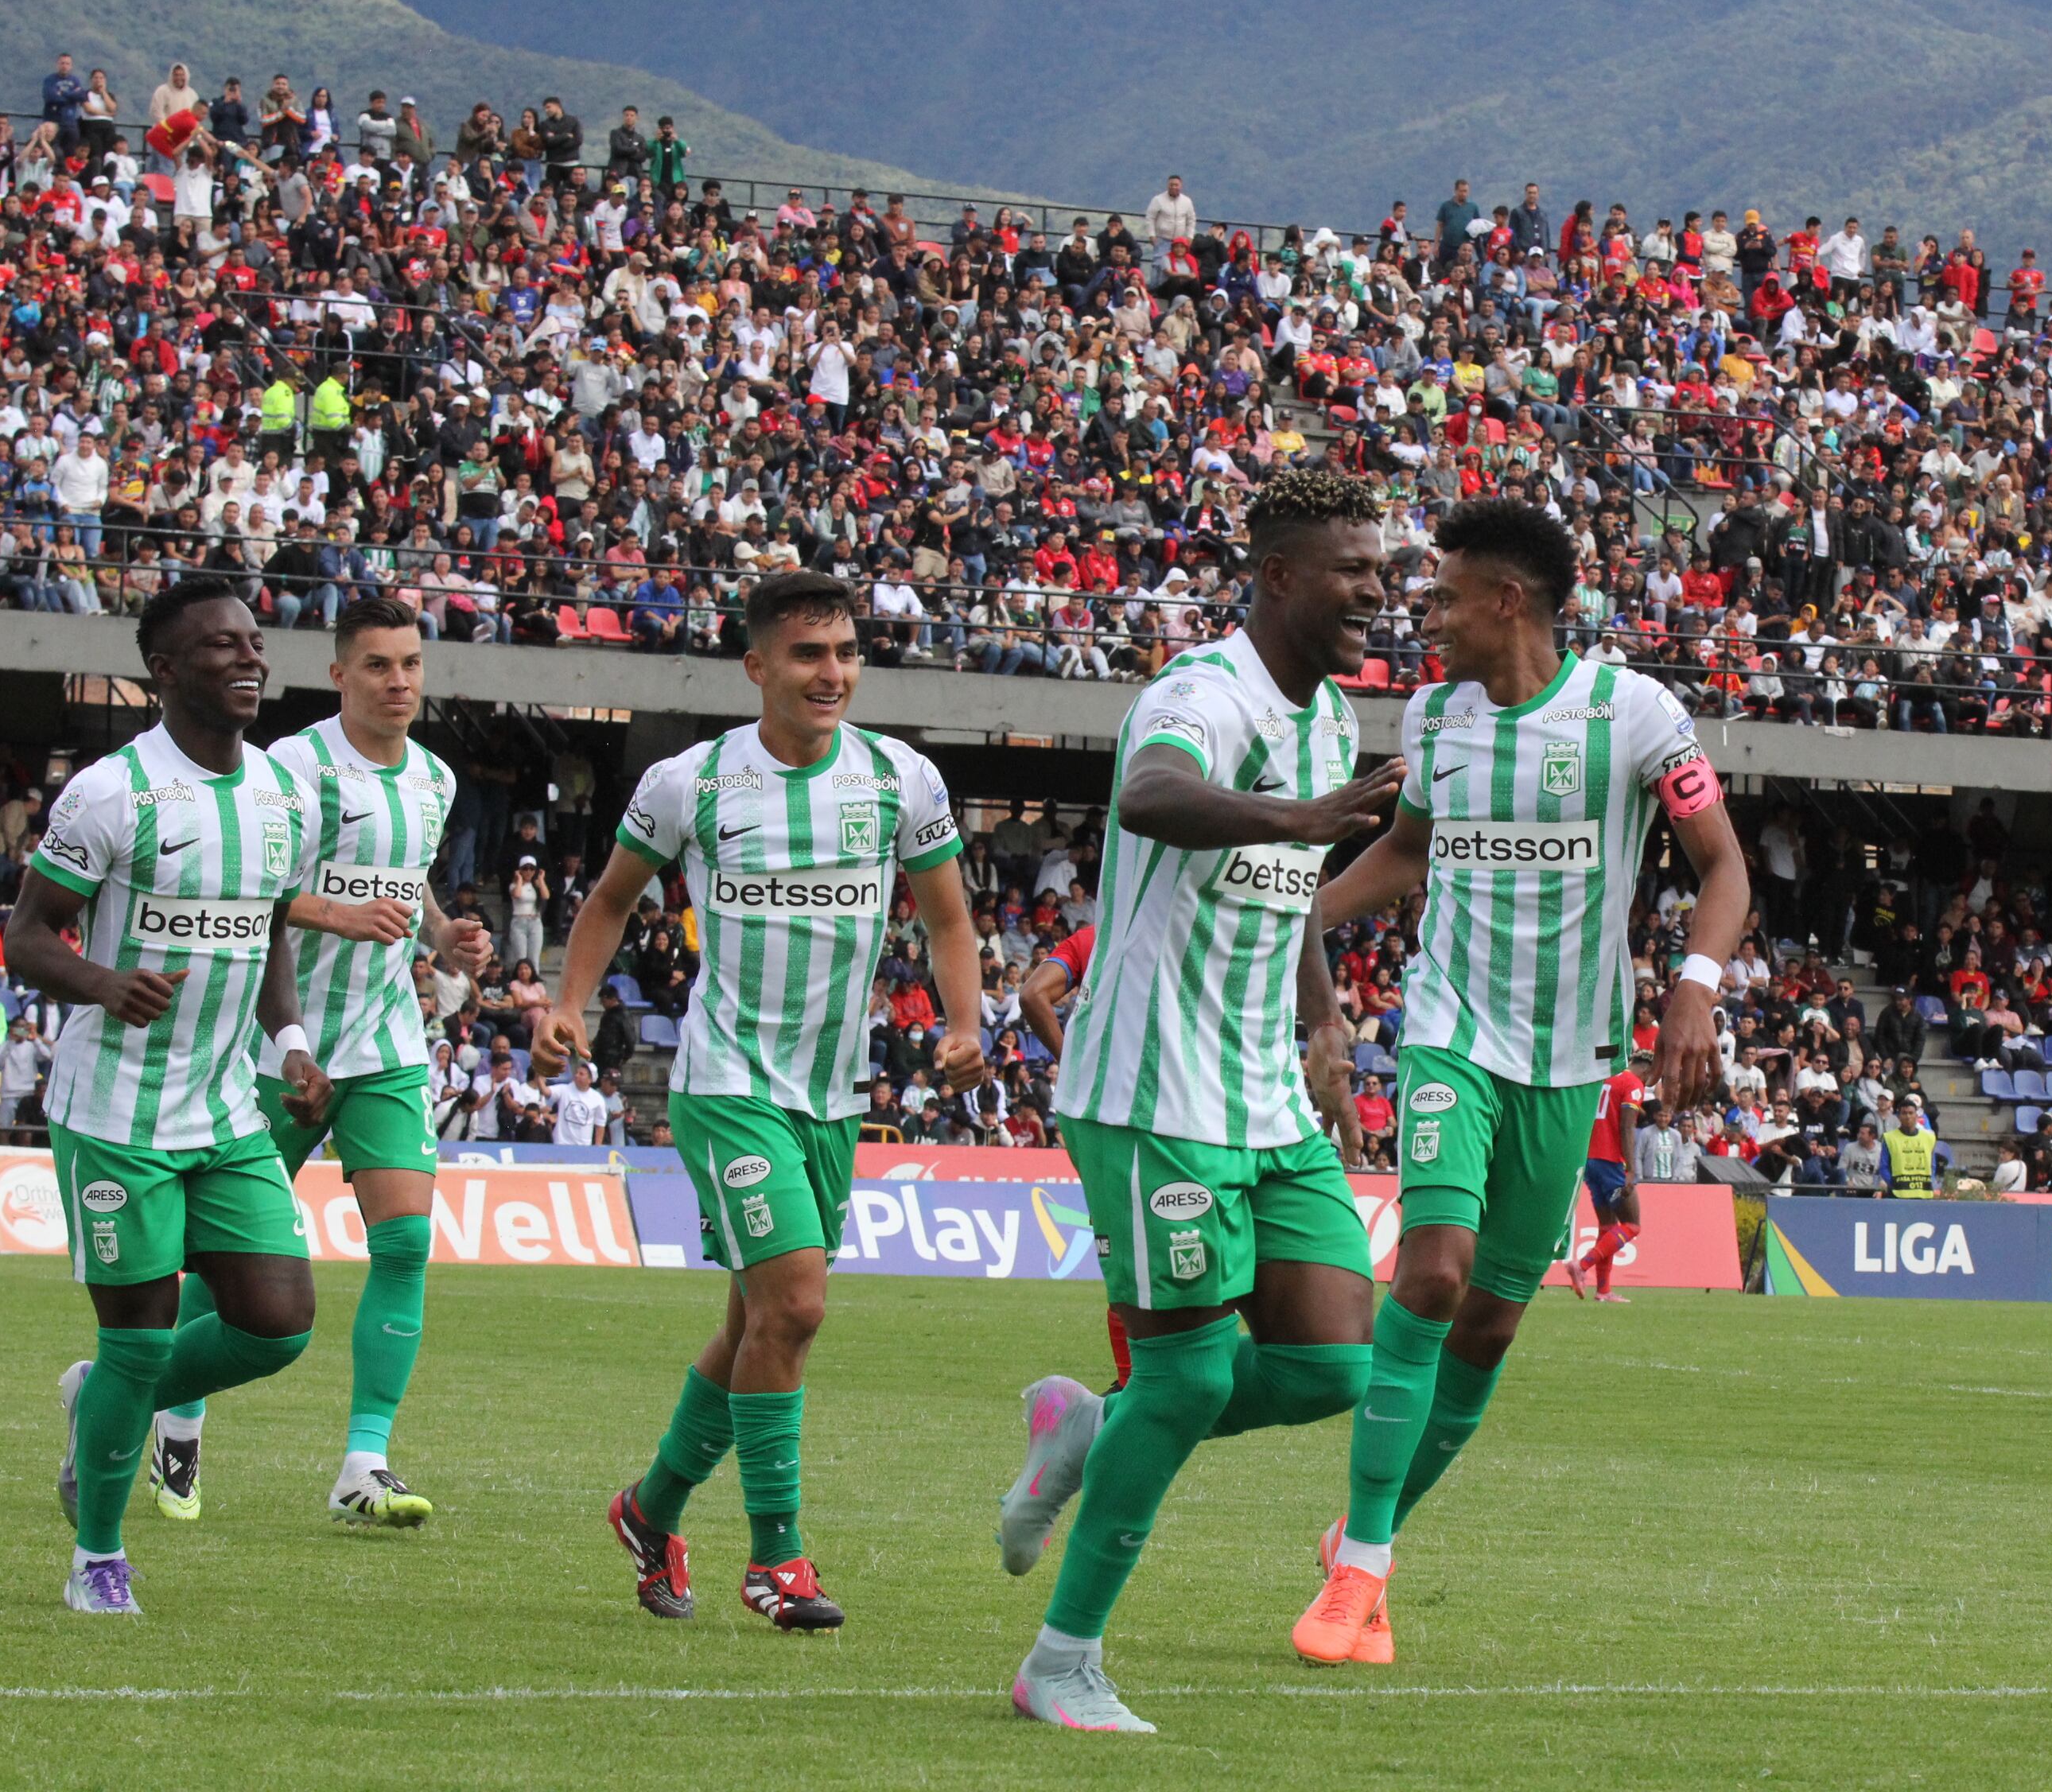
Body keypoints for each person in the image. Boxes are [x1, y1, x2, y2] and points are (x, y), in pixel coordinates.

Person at [1285, 496, 1747, 1667]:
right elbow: (1411, 849)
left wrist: (1693, 985)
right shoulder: (1434, 717)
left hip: (1572, 1056)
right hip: (1449, 1033)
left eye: (1442, 595)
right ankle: (1359, 1575)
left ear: (1508, 602)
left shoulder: (1634, 714)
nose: (1422, 613)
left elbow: (1724, 865)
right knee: (1432, 1277)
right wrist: (1302, 915)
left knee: (1489, 1325)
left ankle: (1366, 1530)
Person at [991, 468, 1406, 1733]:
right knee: (1187, 1382)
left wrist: (1325, 1017)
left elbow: (1284, 894)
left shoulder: (1332, 718)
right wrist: (1300, 814)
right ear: (1280, 576)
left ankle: (1084, 1430)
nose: (1376, 593)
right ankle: (1061, 1663)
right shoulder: (1201, 693)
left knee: (1337, 1360)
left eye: (1383, 572)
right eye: (1353, 570)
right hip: (1153, 1091)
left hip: (1266, 1096)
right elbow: (1151, 796)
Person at [536, 571, 985, 1635]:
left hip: (830, 1098)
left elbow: (950, 922)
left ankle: (651, 1511)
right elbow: (610, 900)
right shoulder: (692, 783)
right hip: (727, 1082)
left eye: (844, 653)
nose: (832, 674)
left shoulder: (899, 779)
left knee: (753, 1321)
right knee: (795, 1306)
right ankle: (776, 1558)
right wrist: (571, 1002)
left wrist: (964, 1025)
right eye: (807, 656)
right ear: (757, 668)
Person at [6, 577, 333, 1615]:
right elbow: (26, 935)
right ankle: (98, 1556)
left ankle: (105, 1401)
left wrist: (289, 1040)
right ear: (163, 671)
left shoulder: (284, 792)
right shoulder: (114, 795)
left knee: (276, 1324)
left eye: (253, 643)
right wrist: (103, 983)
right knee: (140, 1338)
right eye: (220, 648)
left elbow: (271, 928)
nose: (248, 661)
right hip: (117, 1115)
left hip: (226, 1103)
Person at [151, 597, 491, 1528]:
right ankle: (173, 1416)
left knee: (408, 1242)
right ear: (340, 674)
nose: (399, 682)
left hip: (384, 1042)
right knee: (224, 1260)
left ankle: (364, 1463)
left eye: (412, 665)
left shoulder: (433, 779)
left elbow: (404, 873)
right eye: (378, 665)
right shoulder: (291, 769)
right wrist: (335, 915)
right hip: (276, 1044)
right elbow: (250, 888)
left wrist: (442, 937)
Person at [1017, 921, 1131, 1390]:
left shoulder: (1094, 934)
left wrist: (1073, 1061)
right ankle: (1141, 1380)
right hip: (1150, 1105)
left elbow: (1033, 995)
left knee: (1121, 1242)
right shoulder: (1174, 926)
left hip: (1087, 1110)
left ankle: (1131, 1378)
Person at [1567, 1048, 1654, 1301]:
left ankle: (1603, 1291)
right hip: (1611, 1160)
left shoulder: (1605, 1078)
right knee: (1632, 1225)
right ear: (1646, 1068)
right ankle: (1581, 1266)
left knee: (1607, 1226)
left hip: (1590, 1160)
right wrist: (1631, 1168)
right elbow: (1627, 1126)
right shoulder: (1633, 1083)